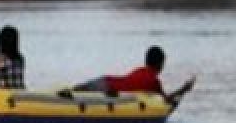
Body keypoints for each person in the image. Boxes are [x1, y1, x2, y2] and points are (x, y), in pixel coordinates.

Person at [68, 45, 196, 106]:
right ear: (160, 64)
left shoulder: (139, 70)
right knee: (72, 97)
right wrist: (184, 89)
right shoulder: (154, 81)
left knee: (73, 92)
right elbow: (165, 100)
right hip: (107, 90)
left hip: (105, 80)